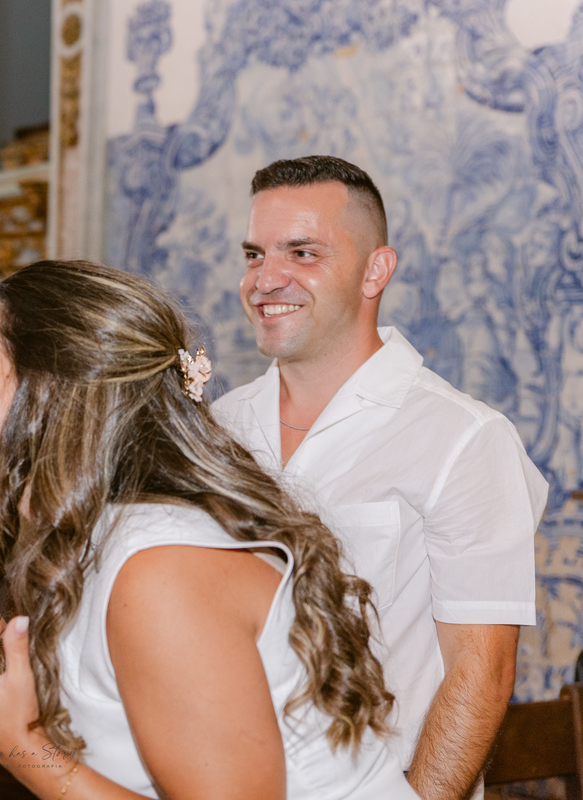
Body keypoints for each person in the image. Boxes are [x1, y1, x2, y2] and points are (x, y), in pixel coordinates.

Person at [0, 260, 419, 798]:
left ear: (47, 389)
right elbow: (93, 697)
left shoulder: (163, 569)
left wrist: (20, 744)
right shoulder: (101, 537)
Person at [211, 155, 546, 800]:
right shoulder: (218, 430)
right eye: (254, 254)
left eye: (302, 252)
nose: (265, 279)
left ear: (376, 270)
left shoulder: (462, 439)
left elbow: (481, 672)